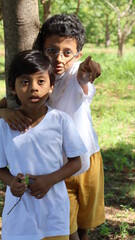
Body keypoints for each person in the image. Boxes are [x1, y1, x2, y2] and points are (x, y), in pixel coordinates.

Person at [0, 14, 105, 240]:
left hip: (88, 156)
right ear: (41, 49)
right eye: (51, 50)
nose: (59, 58)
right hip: (58, 166)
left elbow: (85, 78)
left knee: (85, 223)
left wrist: (89, 72)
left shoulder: (76, 74)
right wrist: (4, 111)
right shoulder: (38, 76)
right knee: (67, 226)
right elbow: (5, 102)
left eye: (67, 53)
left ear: (77, 54)